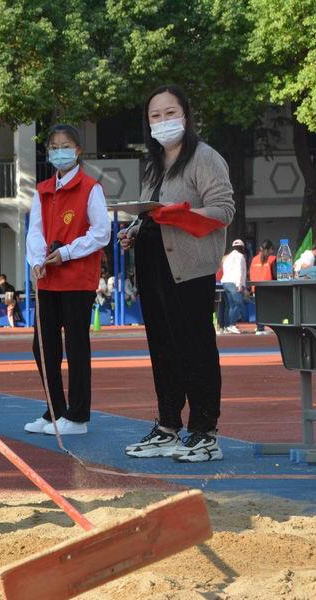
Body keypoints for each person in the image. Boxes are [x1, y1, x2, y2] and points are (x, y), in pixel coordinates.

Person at [118, 84, 234, 463]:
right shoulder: (154, 165)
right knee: (163, 348)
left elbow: (223, 209)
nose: (163, 121)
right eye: (156, 115)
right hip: (153, 267)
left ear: (185, 115)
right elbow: (151, 214)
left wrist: (178, 214)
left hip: (189, 270)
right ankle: (168, 426)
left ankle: (205, 432)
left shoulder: (205, 158)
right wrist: (134, 229)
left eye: (170, 113)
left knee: (195, 348)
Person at [24, 124, 110, 437]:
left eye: (65, 146)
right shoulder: (43, 189)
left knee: (76, 348)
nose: (59, 152)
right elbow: (35, 230)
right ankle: (55, 410)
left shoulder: (91, 188)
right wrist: (37, 260)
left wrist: (68, 252)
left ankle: (78, 416)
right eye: (54, 147)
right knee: (43, 347)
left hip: (77, 279)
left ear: (77, 150)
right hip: (47, 279)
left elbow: (101, 232)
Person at [220, 240, 248, 334]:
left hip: (226, 282)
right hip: (234, 283)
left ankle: (227, 326)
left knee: (231, 306)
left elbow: (225, 270)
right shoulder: (240, 256)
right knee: (238, 304)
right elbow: (239, 271)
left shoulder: (228, 257)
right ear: (242, 247)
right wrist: (239, 285)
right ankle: (231, 325)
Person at [249, 239, 275, 335]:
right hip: (268, 287)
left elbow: (251, 274)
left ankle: (259, 327)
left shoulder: (254, 259)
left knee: (259, 308)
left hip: (256, 288)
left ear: (261, 248)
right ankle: (264, 328)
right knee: (269, 308)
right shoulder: (272, 259)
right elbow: (275, 274)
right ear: (271, 249)